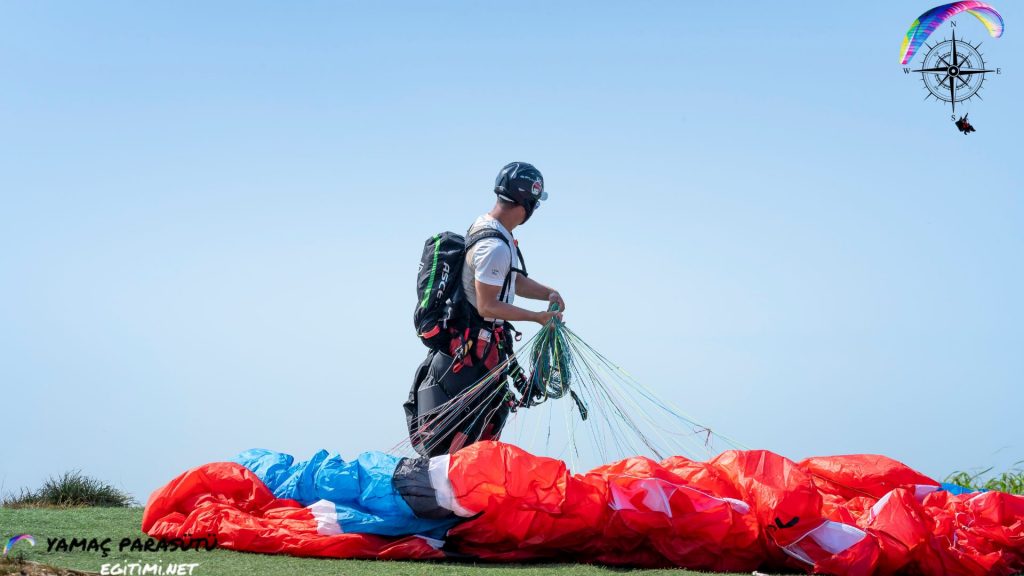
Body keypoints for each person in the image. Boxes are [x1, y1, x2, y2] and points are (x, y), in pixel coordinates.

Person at [404, 162, 565, 457]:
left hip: (479, 359)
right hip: (468, 365)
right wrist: (537, 318)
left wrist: (548, 293)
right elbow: (487, 303)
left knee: (476, 448)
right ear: (527, 203)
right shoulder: (495, 246)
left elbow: (511, 280)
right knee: (455, 453)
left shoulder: (492, 230)